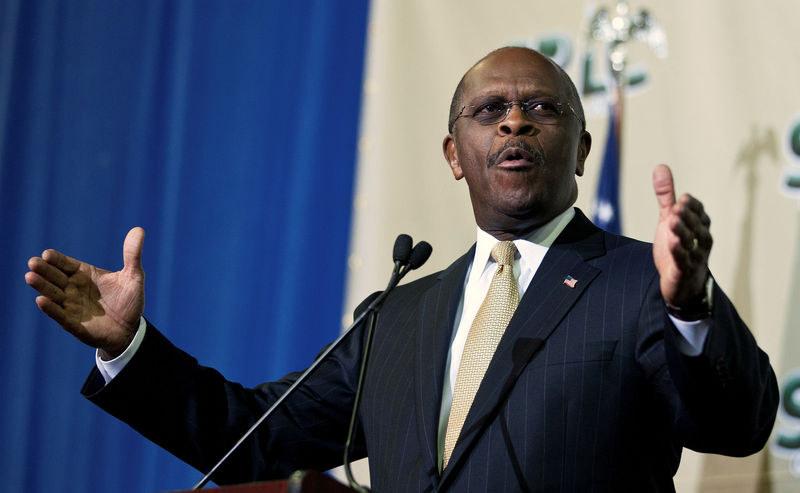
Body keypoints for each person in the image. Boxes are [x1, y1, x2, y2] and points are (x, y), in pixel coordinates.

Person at [25, 47, 778, 492]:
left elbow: (738, 427)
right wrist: (129, 346)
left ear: (582, 150)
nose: (515, 121)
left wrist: (692, 310)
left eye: (542, 108)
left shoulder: (639, 281)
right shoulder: (399, 315)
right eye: (490, 110)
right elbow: (245, 437)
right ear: (455, 156)